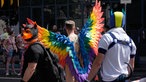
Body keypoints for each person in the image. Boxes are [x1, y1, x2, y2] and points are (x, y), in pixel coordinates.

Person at [86, 11, 137, 82]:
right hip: (124, 78)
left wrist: (88, 80)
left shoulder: (106, 38)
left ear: (111, 22)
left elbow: (98, 63)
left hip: (109, 79)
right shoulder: (131, 42)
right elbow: (131, 66)